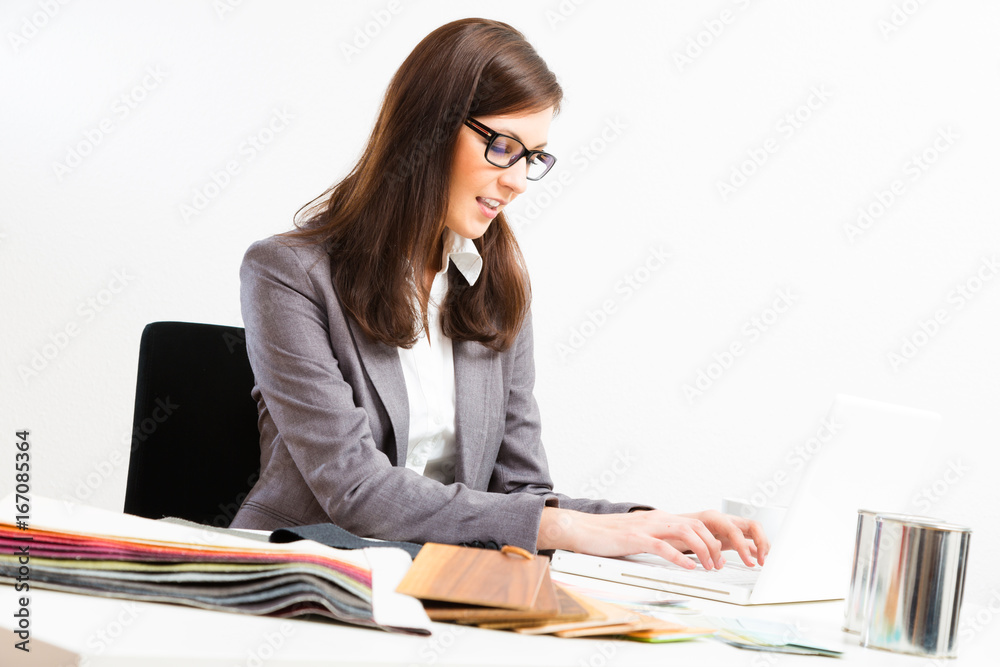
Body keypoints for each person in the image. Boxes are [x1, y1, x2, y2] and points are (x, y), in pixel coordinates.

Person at [230, 18, 769, 572]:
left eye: (532, 157)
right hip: (301, 572)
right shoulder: (288, 273)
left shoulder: (496, 284)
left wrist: (649, 524)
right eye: (504, 146)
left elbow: (522, 493)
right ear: (428, 129)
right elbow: (356, 491)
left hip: (442, 576)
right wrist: (564, 527)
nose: (517, 181)